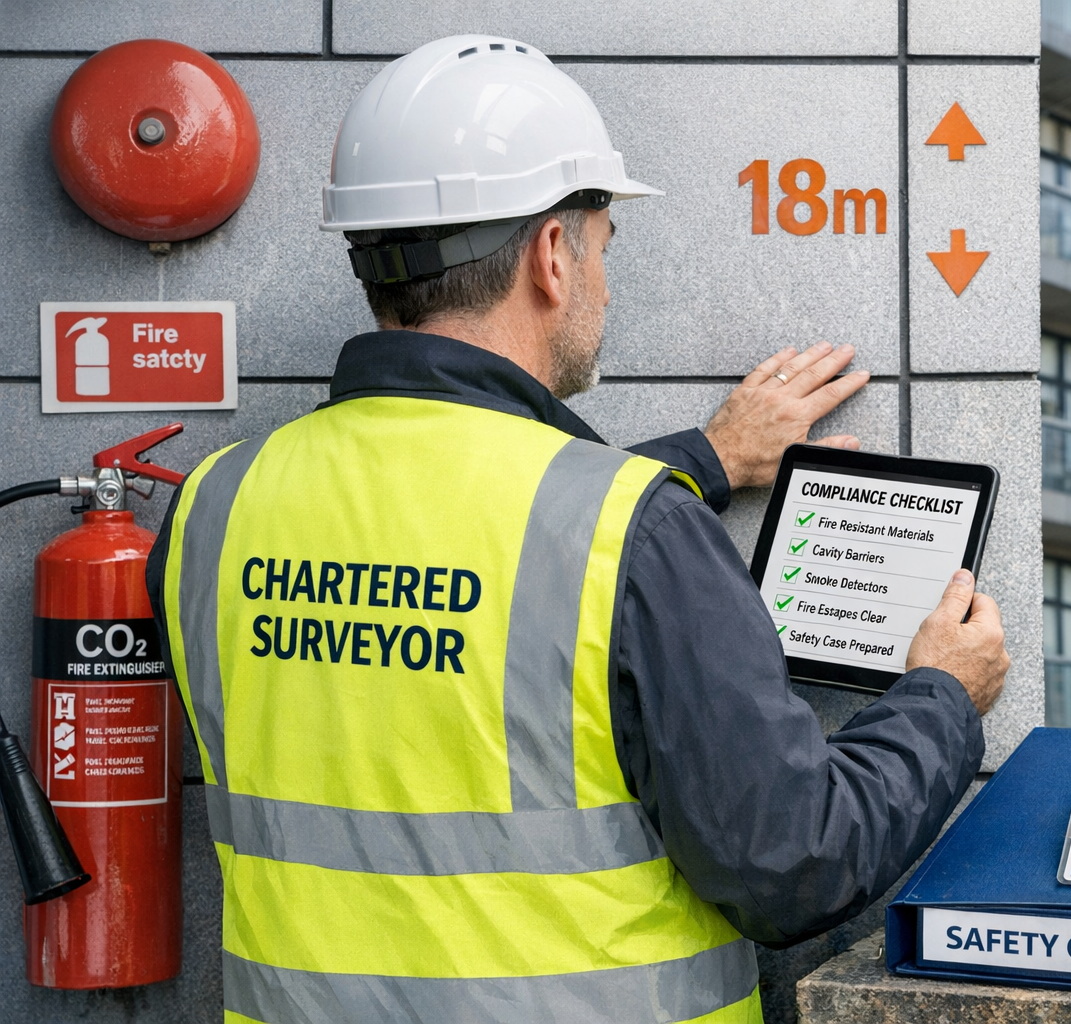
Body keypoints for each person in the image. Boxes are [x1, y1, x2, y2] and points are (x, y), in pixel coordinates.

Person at [146, 35, 1008, 1024]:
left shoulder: (213, 505)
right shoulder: (633, 534)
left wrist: (704, 457)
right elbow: (793, 861)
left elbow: (451, 540)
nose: (604, 280)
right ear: (553, 256)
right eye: (604, 245)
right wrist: (945, 696)